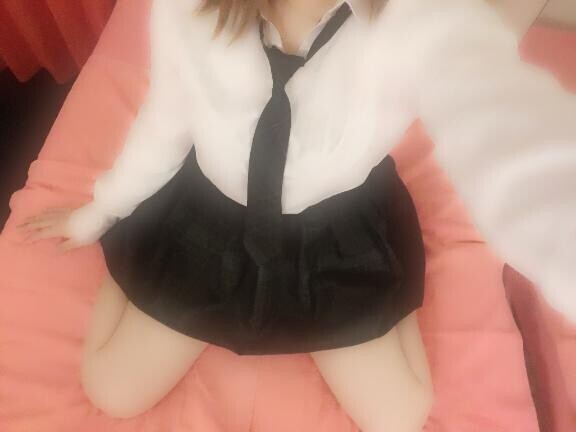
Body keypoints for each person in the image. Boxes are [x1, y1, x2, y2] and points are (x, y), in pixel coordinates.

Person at [15, 0, 575, 430]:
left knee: (400, 418)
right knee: (112, 390)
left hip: (335, 231)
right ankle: (141, 269)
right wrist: (105, 211)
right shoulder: (188, 8)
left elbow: (501, 123)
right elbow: (165, 119)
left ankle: (388, 292)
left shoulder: (415, 18)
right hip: (209, 218)